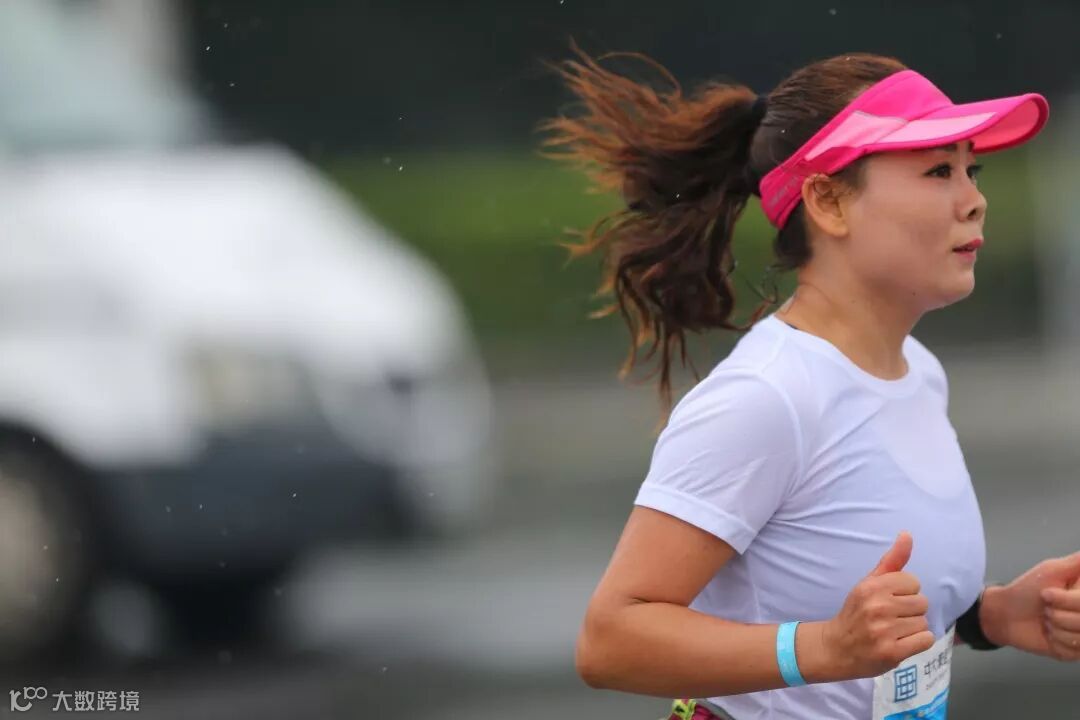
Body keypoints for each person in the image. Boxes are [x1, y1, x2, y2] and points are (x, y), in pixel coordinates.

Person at [540, 49, 1080, 719]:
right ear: (827, 201)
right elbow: (610, 641)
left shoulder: (920, 373)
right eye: (939, 171)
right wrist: (821, 648)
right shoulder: (766, 398)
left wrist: (991, 617)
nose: (974, 201)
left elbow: (850, 617)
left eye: (973, 170)